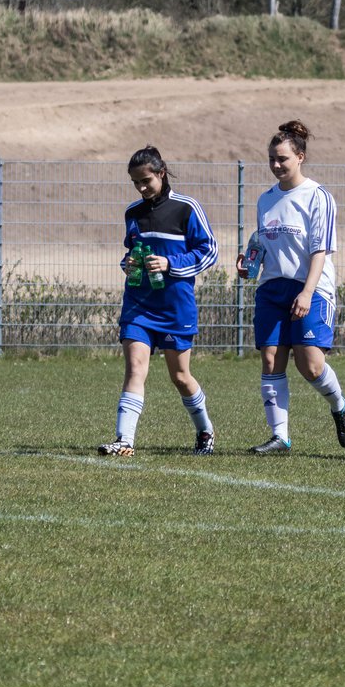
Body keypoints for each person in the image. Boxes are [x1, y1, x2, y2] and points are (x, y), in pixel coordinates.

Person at [236, 120, 345, 455]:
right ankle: (280, 437)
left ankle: (340, 406)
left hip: (312, 288)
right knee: (272, 359)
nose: (276, 165)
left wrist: (306, 291)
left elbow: (320, 250)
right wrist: (250, 264)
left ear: (300, 157)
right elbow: (262, 244)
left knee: (311, 365)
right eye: (272, 159)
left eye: (283, 159)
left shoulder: (318, 197)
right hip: (272, 289)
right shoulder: (265, 200)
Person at [98, 146, 219, 457]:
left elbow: (209, 252)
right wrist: (128, 264)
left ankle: (205, 429)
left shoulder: (186, 208)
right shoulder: (132, 214)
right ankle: (124, 440)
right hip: (139, 305)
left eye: (146, 180)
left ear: (161, 174)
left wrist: (171, 265)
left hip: (175, 307)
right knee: (135, 368)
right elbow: (132, 252)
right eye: (135, 182)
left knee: (180, 377)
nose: (141, 187)